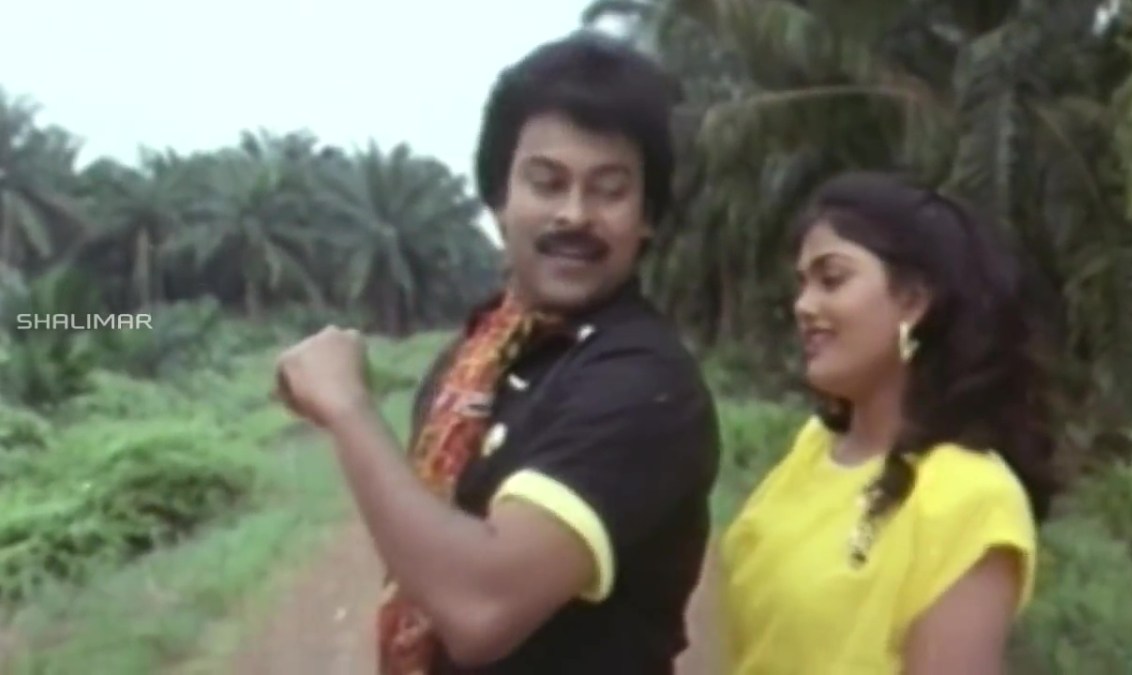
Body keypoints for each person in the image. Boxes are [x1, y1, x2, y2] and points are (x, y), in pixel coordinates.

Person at [273, 30, 721, 675]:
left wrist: (348, 409)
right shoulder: (476, 356)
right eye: (546, 182)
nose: (574, 214)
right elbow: (425, 544)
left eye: (609, 189)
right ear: (499, 200)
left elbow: (477, 606)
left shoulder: (645, 385)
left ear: (646, 216)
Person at [701, 171, 1061, 674]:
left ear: (913, 300)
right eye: (802, 284)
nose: (803, 306)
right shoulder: (815, 448)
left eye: (832, 279)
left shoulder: (971, 497)